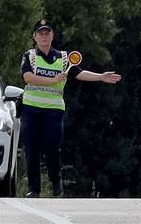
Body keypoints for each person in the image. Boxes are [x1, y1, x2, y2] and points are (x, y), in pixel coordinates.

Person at [18, 19, 122, 197]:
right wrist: (53, 80)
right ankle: (33, 190)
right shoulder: (29, 56)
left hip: (53, 110)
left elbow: (79, 73)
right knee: (32, 149)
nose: (44, 37)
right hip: (31, 109)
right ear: (34, 37)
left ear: (52, 36)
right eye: (40, 34)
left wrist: (100, 77)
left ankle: (56, 182)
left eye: (47, 33)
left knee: (52, 147)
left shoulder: (63, 58)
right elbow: (28, 77)